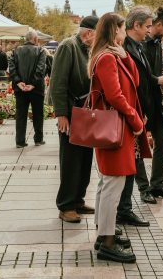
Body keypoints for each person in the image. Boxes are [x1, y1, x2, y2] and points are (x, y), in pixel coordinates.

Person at [89, 13, 151, 263]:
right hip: (115, 127)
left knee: (108, 183)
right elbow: (116, 96)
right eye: (123, 29)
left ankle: (103, 233)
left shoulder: (112, 56)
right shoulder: (106, 58)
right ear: (116, 30)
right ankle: (107, 242)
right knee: (112, 184)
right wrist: (136, 120)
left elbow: (133, 82)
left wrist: (125, 57)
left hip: (115, 127)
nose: (125, 33)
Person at [49, 16, 98, 223]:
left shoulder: (88, 48)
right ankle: (66, 205)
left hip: (85, 113)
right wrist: (61, 114)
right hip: (70, 113)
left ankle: (78, 199)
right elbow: (57, 82)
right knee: (70, 161)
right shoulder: (68, 47)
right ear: (88, 33)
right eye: (97, 35)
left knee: (85, 160)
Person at [116, 6, 162, 227]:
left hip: (138, 111)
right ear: (135, 26)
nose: (149, 30)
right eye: (147, 26)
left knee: (132, 160)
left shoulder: (138, 47)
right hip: (131, 113)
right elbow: (127, 87)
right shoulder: (124, 48)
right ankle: (123, 210)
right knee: (128, 162)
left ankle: (124, 208)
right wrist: (136, 113)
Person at [139, 6, 163, 201]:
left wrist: (161, 77)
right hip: (142, 101)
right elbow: (140, 75)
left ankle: (157, 184)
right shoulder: (141, 44)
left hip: (156, 100)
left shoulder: (157, 43)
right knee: (137, 145)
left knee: (162, 141)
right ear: (159, 24)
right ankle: (144, 188)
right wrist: (158, 79)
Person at [8, 31, 47, 148]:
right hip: (36, 89)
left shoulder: (15, 51)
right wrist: (33, 84)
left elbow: (11, 67)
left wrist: (18, 81)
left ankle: (20, 141)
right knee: (38, 114)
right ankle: (38, 139)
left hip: (20, 88)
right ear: (35, 39)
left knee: (20, 114)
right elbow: (40, 69)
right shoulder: (40, 51)